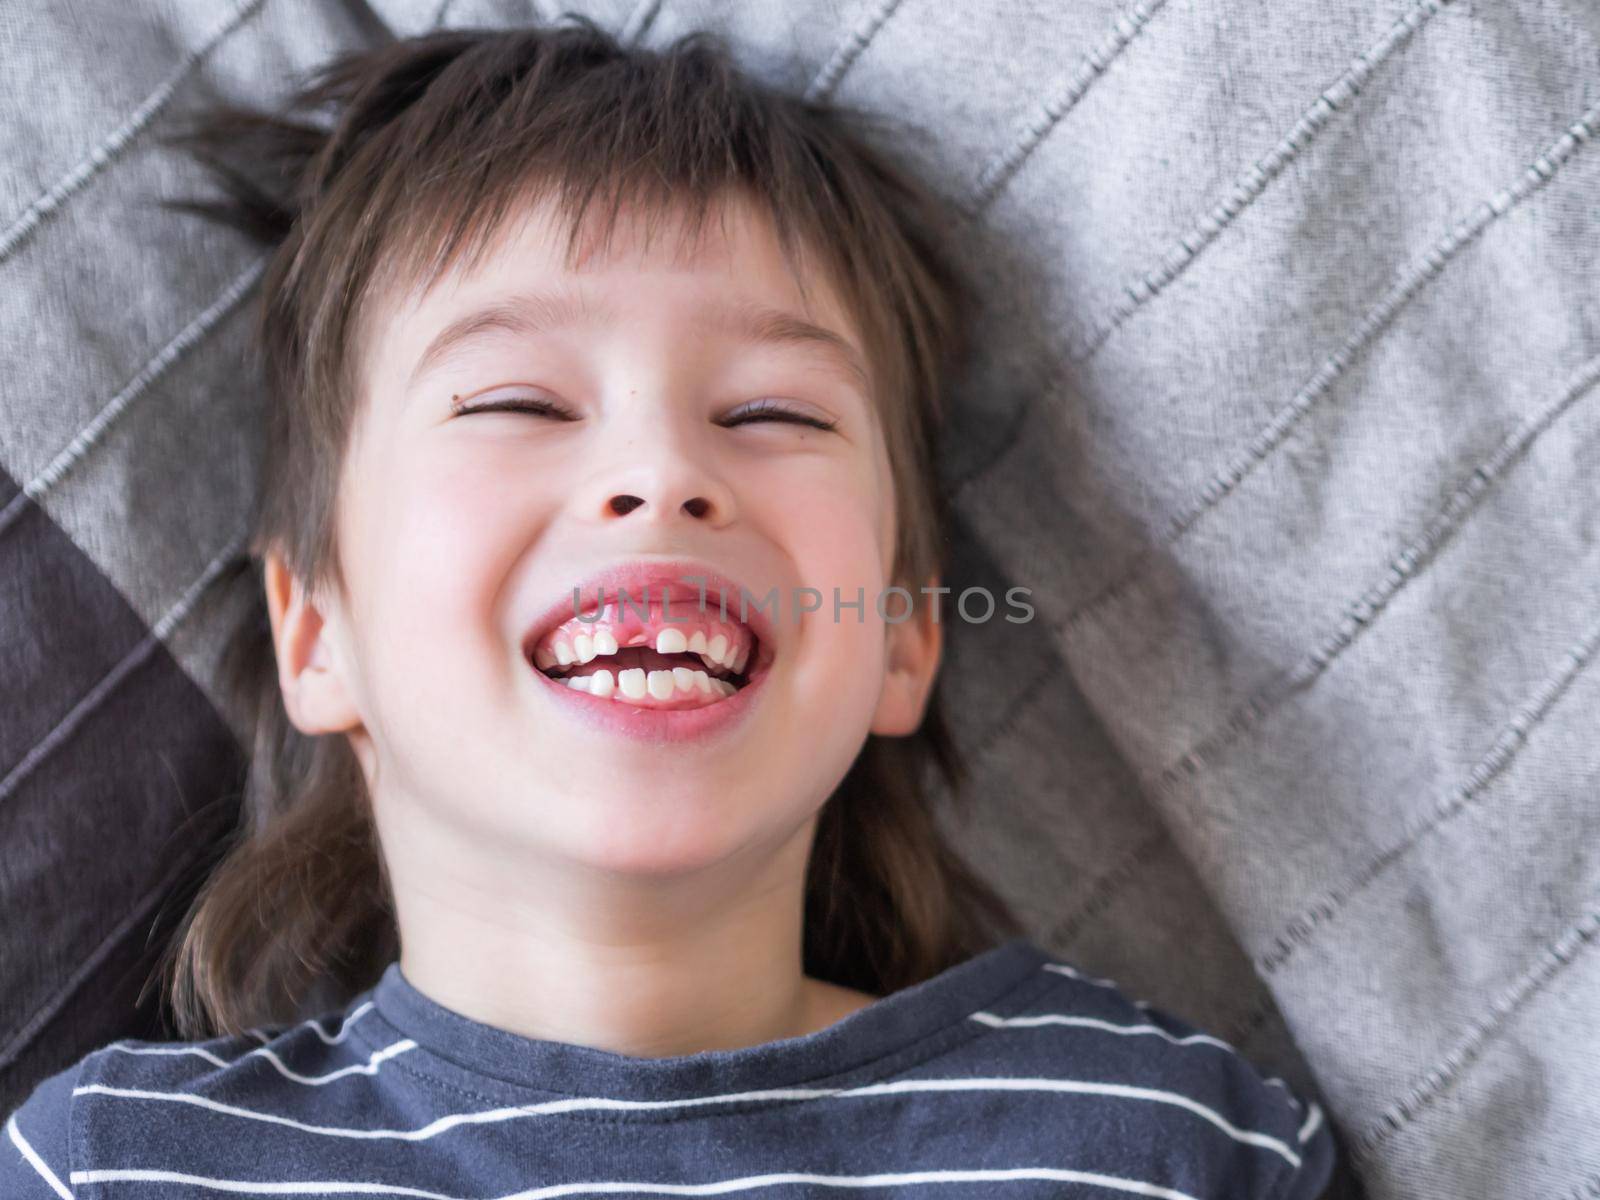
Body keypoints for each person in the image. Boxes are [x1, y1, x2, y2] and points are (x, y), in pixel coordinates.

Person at [3, 16, 1335, 1198]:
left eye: (773, 412)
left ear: (902, 635)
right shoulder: (118, 1168)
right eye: (517, 403)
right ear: (316, 634)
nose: (661, 476)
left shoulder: (1167, 1144)